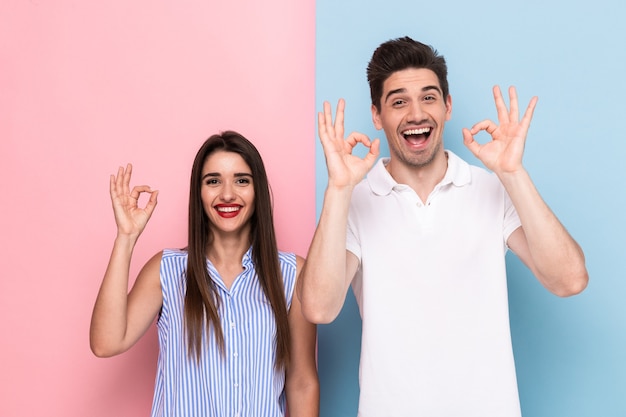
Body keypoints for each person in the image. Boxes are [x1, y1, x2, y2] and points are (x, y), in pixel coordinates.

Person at [297, 36, 588, 416]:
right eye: (398, 101)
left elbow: (569, 280)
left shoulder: (490, 189)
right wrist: (338, 190)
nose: (416, 113)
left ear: (448, 106)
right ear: (376, 116)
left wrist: (513, 173)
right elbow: (319, 307)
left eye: (429, 97)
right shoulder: (355, 203)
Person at [90, 131, 319, 417]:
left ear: (257, 189)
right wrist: (126, 237)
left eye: (241, 180)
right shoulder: (167, 271)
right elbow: (105, 343)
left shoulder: (292, 275)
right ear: (199, 192)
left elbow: (302, 383)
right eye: (213, 181)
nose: (227, 194)